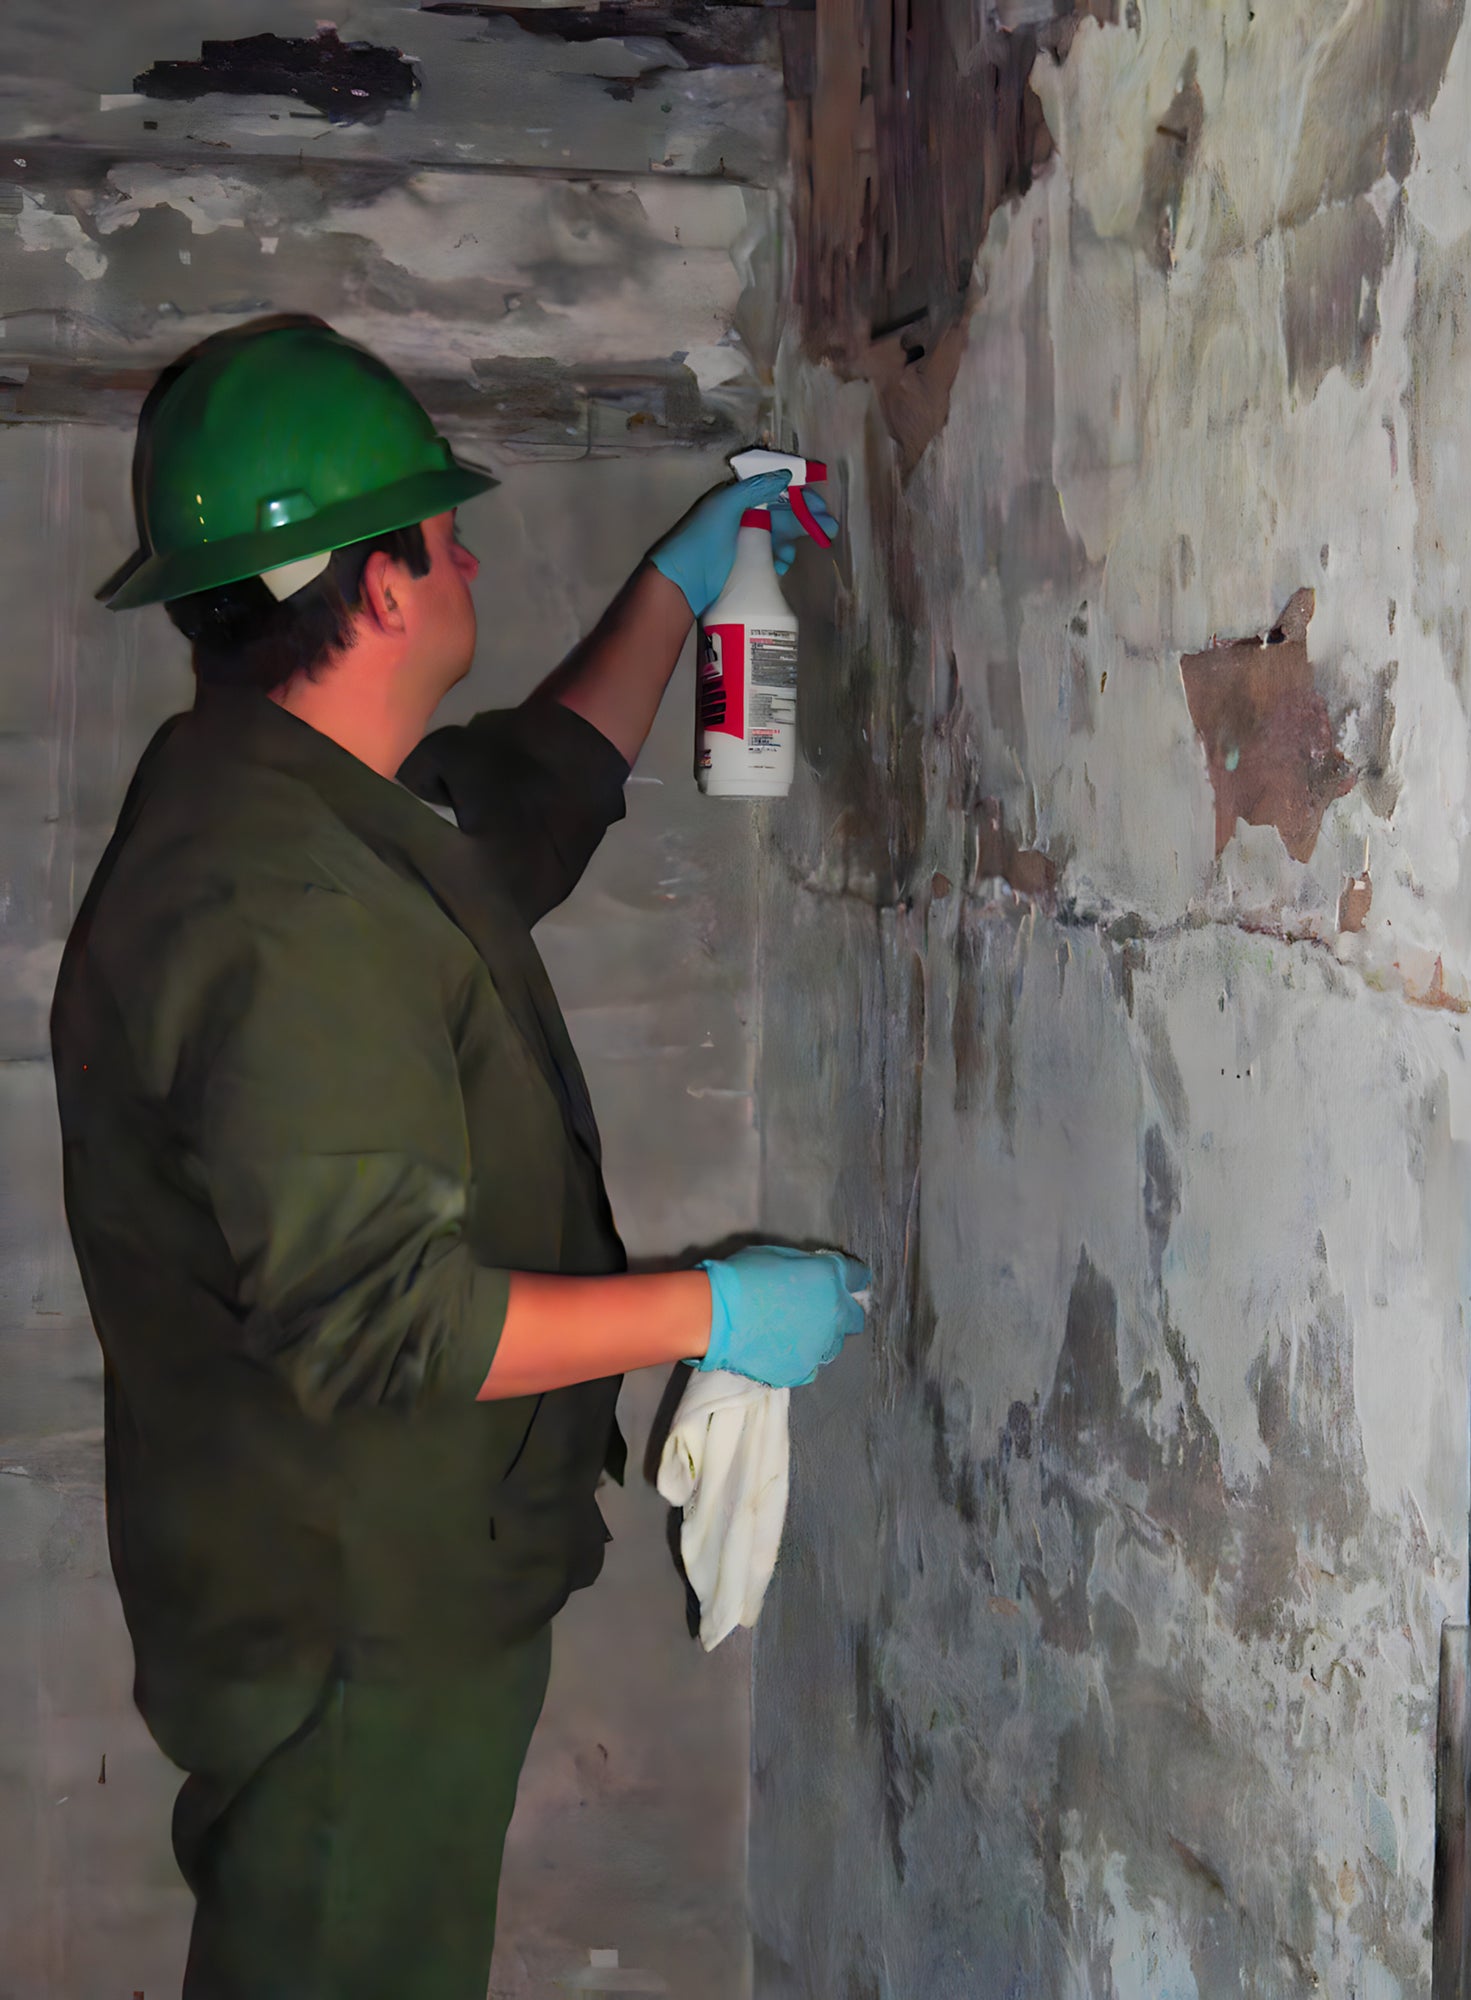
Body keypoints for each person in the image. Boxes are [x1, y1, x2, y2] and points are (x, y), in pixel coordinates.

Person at [48, 314, 869, 2000]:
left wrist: (681, 578)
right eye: (441, 528)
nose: (471, 547)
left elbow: (521, 804)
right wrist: (710, 1313)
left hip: (351, 1584)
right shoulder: (274, 907)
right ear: (382, 586)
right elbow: (385, 1323)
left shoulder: (284, 798)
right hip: (353, 1622)